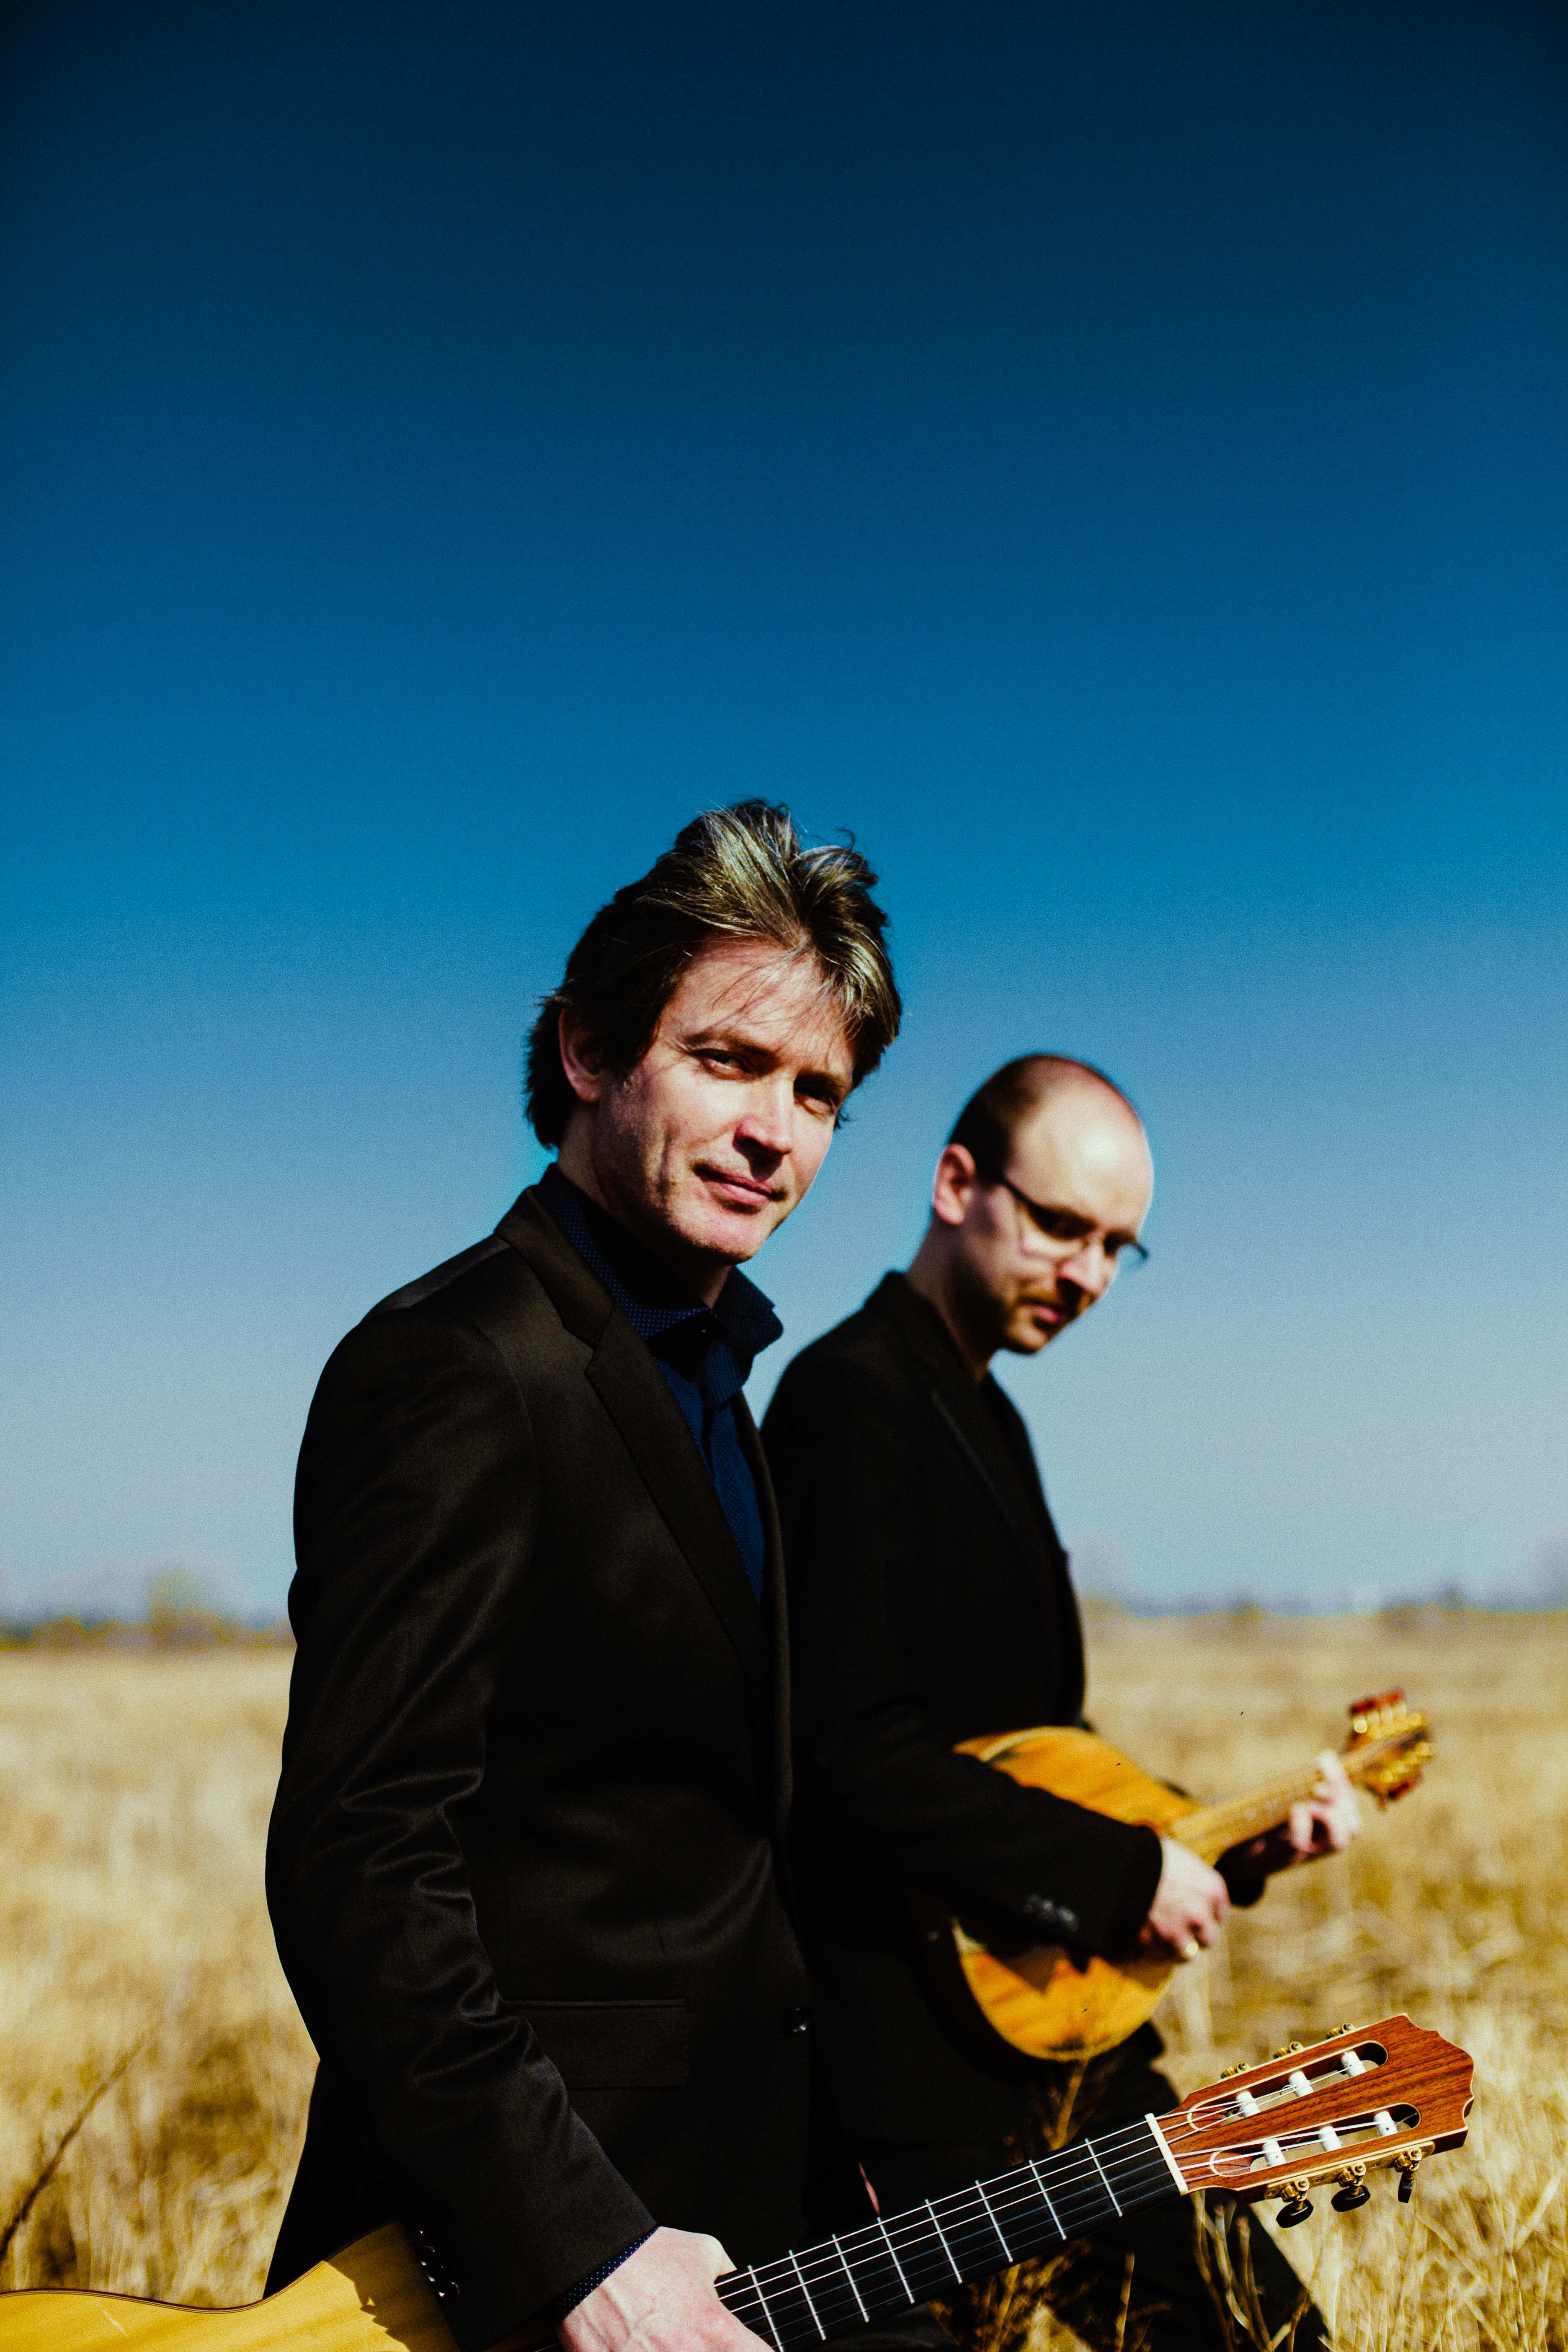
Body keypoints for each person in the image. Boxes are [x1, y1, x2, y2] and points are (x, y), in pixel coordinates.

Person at [265, 803, 942, 2352]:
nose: (777, 1131)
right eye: (728, 1060)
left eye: (820, 1094)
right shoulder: (457, 1363)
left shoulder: (718, 1385)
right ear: (586, 1050)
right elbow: (361, 1860)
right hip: (524, 2263)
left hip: (761, 2207)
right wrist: (577, 2251)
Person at [763, 1055, 1360, 2352]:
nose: (1088, 1275)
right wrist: (1123, 1876)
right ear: (956, 1183)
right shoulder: (849, 1398)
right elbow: (847, 1750)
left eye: (1116, 1249)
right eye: (1061, 1227)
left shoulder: (991, 1418)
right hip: (919, 2078)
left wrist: (1229, 1843)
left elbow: (1030, 1750)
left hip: (1054, 2036)